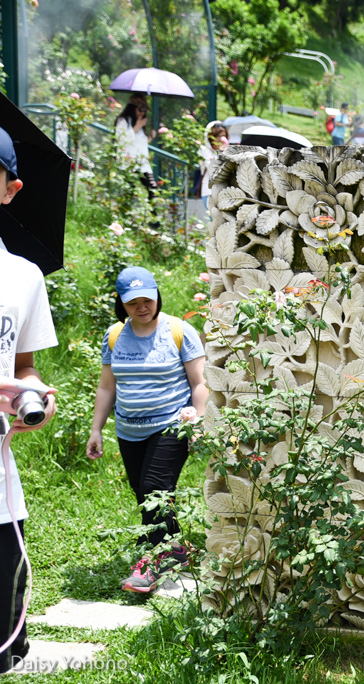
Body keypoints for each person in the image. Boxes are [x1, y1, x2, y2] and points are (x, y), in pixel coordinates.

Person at [86, 267, 208, 593]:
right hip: (128, 430)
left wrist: (198, 418)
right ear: (121, 304)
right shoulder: (114, 336)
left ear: (157, 296)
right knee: (146, 496)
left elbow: (200, 383)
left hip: (170, 424)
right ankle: (176, 550)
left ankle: (151, 562)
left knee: (154, 489)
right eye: (132, 303)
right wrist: (96, 429)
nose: (142, 307)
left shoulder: (179, 331)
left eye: (147, 300)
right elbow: (107, 388)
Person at [0, 126, 58, 673]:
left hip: (0, 483)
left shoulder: (23, 277)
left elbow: (23, 366)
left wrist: (29, 396)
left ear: (10, 189)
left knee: (4, 624)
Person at [114, 94, 157, 198]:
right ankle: (127, 213)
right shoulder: (123, 121)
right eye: (140, 110)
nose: (142, 113)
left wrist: (150, 137)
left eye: (144, 111)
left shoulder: (140, 124)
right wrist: (138, 126)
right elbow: (121, 140)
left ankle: (153, 214)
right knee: (128, 192)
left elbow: (140, 143)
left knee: (153, 190)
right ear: (132, 108)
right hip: (128, 163)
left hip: (142, 163)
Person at [198, 122, 229, 210]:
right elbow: (213, 169)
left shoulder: (227, 150)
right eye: (218, 136)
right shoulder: (204, 150)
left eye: (223, 136)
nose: (221, 139)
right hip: (209, 192)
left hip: (225, 192)